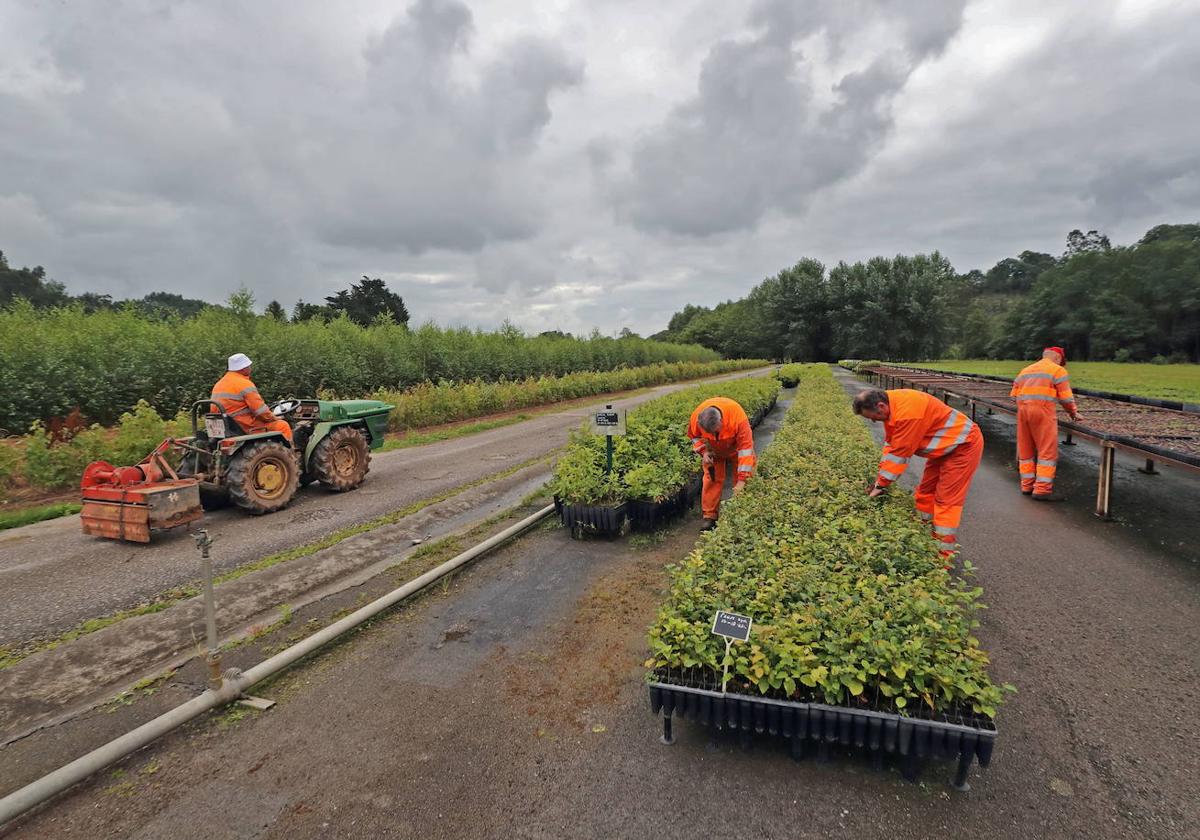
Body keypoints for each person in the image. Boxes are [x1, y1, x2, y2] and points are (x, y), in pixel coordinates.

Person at [853, 388, 983, 563]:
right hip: (945, 448)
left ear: (881, 406)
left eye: (872, 417)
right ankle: (923, 532)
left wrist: (880, 486)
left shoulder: (907, 413)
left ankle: (943, 557)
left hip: (963, 446)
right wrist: (879, 481)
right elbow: (891, 447)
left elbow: (899, 455)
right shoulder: (893, 405)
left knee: (946, 501)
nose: (873, 421)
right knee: (926, 491)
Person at [1011, 346, 1081, 501]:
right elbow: (1066, 398)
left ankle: (1027, 485)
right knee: (1046, 451)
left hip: (1023, 411)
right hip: (1043, 412)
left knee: (1025, 448)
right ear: (1057, 358)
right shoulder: (1057, 370)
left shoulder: (1025, 370)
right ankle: (1042, 489)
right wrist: (1073, 413)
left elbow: (1013, 395)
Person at [687, 397, 756, 530]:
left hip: (736, 450)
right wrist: (704, 452)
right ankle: (709, 516)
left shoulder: (738, 417)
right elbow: (694, 436)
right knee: (711, 479)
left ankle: (741, 513)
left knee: (743, 483)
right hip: (713, 451)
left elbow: (745, 450)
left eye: (715, 431)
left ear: (721, 421)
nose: (713, 434)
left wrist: (742, 480)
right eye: (709, 433)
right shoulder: (697, 417)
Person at [210, 353, 294, 443]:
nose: (250, 368)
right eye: (249, 366)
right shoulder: (244, 384)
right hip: (244, 425)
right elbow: (260, 411)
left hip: (227, 425)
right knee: (282, 425)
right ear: (242, 368)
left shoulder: (219, 384)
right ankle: (289, 454)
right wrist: (274, 418)